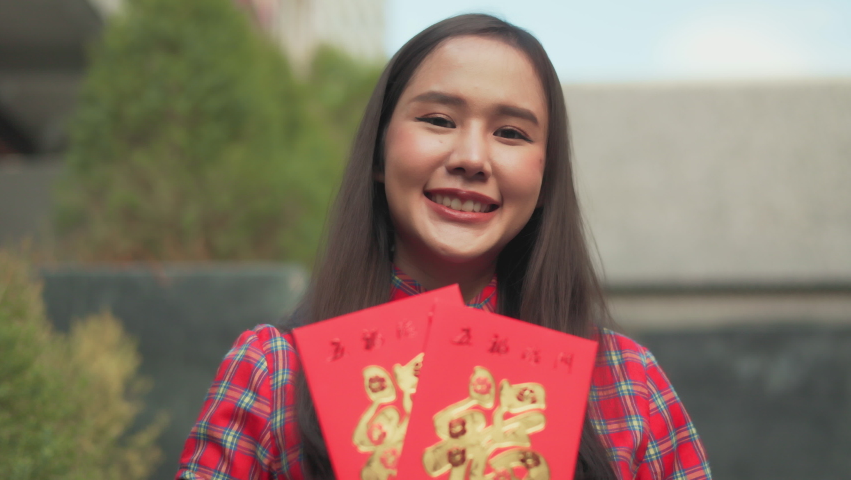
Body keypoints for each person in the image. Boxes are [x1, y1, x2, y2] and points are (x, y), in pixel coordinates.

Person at [176, 13, 712, 480]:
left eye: (511, 133)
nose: (472, 157)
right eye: (438, 120)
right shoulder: (273, 370)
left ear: (547, 178)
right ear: (379, 153)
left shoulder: (628, 384)